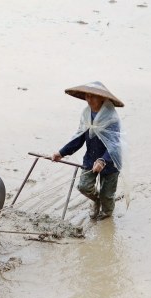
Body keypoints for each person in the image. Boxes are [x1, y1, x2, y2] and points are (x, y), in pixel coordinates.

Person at [51, 81, 124, 220]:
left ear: (103, 99)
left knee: (107, 196)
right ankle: (97, 201)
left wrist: (103, 160)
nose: (89, 99)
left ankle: (107, 213)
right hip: (91, 158)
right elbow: (79, 138)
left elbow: (115, 144)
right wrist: (61, 153)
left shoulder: (112, 118)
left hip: (110, 161)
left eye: (93, 96)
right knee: (84, 186)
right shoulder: (86, 115)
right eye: (87, 96)